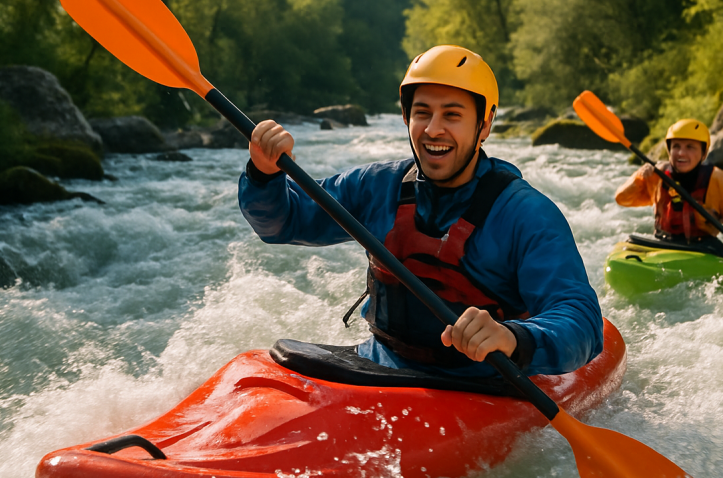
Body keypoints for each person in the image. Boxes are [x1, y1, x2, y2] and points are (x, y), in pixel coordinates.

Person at [238, 45, 603, 379]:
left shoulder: (527, 214)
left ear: (485, 124)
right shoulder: (376, 186)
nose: (433, 129)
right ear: (405, 117)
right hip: (383, 365)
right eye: (422, 113)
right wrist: (263, 174)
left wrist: (512, 337)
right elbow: (283, 222)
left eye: (453, 115)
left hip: (483, 381)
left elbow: (580, 319)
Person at [614, 118, 723, 258]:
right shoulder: (657, 174)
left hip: (703, 248)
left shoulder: (717, 179)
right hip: (663, 243)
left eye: (690, 147)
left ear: (704, 153)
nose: (681, 153)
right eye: (676, 146)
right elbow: (622, 198)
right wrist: (640, 177)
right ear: (669, 150)